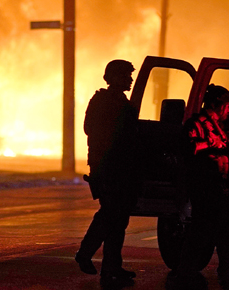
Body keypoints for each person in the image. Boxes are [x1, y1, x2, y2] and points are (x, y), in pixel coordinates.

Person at [173, 84, 229, 290]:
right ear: (215, 104)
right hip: (203, 185)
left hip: (218, 185)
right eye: (226, 106)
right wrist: (211, 144)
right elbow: (188, 147)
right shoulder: (197, 124)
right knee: (201, 231)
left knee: (223, 232)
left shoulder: (219, 127)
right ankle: (187, 272)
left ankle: (224, 271)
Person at [75, 59, 139, 289]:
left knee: (118, 218)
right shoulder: (104, 100)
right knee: (110, 214)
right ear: (113, 77)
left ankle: (111, 268)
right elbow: (91, 129)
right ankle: (85, 253)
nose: (130, 79)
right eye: (126, 75)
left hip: (119, 168)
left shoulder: (120, 101)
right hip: (107, 167)